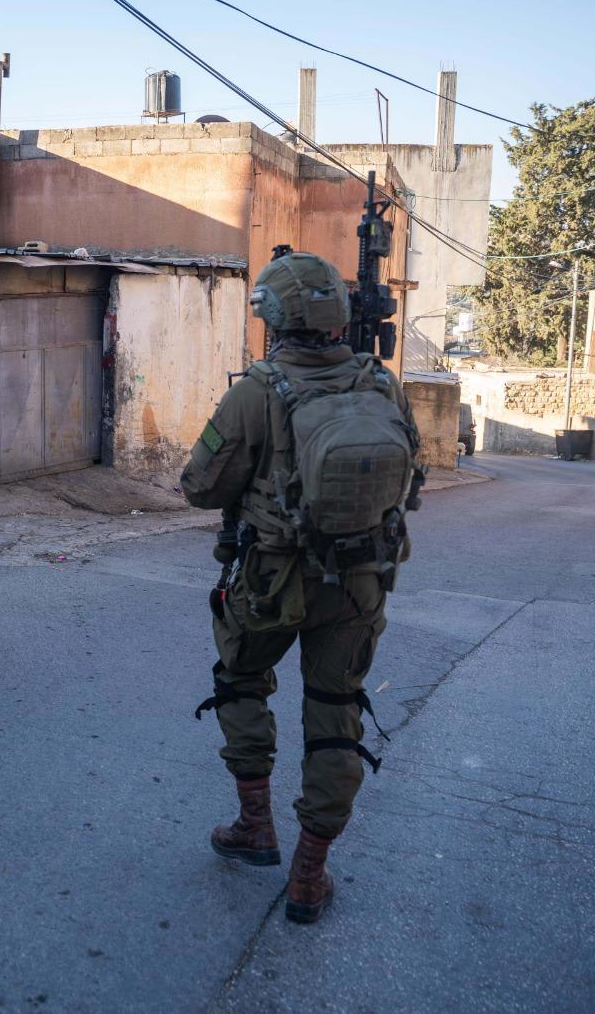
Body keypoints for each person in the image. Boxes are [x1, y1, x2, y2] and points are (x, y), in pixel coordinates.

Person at [179, 251, 421, 925]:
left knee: (241, 682)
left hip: (271, 579)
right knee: (336, 708)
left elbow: (200, 486)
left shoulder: (258, 390)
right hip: (360, 583)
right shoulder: (381, 383)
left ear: (275, 318)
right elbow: (410, 472)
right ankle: (310, 874)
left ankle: (255, 825)